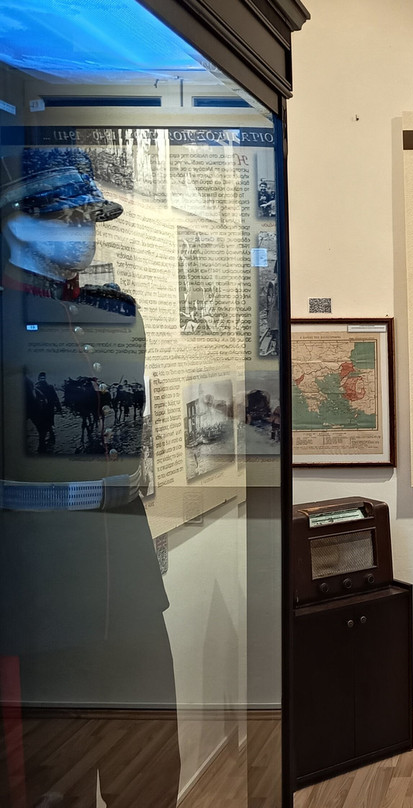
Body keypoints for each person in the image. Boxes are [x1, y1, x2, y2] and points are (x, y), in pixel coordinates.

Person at [1, 147, 180, 806]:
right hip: (38, 585)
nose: (83, 230)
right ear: (15, 220)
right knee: (56, 779)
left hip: (125, 572)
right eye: (65, 216)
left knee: (152, 763)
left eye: (87, 216)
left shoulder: (117, 312)